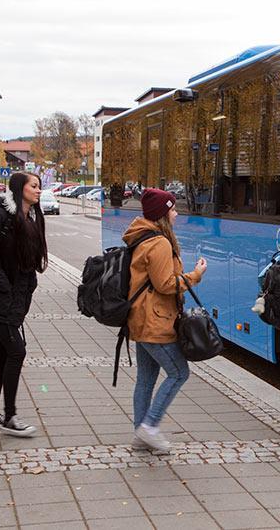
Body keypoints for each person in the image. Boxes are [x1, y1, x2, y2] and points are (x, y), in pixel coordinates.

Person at [123, 188, 207, 452]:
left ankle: (140, 435)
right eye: (172, 209)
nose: (176, 213)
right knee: (179, 373)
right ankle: (149, 426)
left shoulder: (141, 236)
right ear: (162, 214)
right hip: (155, 320)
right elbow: (165, 284)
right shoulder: (158, 242)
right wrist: (195, 275)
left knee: (146, 379)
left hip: (141, 317)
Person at [0, 172, 47, 437]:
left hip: (16, 299)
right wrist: (2, 283)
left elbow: (28, 264)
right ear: (20, 188)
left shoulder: (32, 218)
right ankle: (10, 416)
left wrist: (26, 289)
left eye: (40, 186)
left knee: (3, 353)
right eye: (34, 186)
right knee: (17, 351)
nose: (39, 191)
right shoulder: (1, 217)